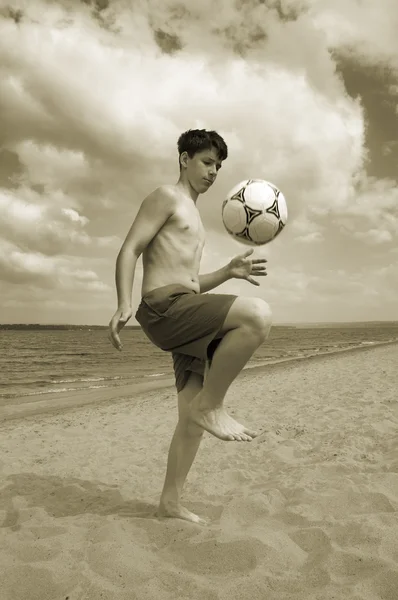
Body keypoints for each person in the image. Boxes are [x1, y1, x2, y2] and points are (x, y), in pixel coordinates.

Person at [109, 129, 272, 523]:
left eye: (218, 165)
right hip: (164, 309)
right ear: (184, 159)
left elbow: (193, 284)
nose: (214, 171)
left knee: (190, 422)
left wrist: (229, 272)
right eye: (206, 161)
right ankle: (212, 405)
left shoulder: (195, 216)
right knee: (257, 315)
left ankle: (170, 502)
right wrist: (123, 302)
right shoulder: (167, 196)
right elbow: (130, 248)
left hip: (185, 308)